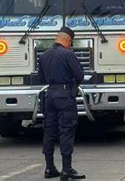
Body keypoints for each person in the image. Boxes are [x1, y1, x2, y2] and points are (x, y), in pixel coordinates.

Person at [38, 27, 85, 180]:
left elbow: (41, 79)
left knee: (49, 131)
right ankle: (67, 169)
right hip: (64, 96)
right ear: (68, 40)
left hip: (49, 95)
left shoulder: (44, 55)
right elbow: (79, 75)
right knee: (66, 130)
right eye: (71, 43)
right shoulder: (68, 54)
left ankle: (49, 168)